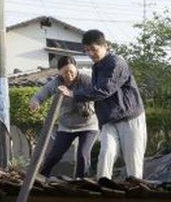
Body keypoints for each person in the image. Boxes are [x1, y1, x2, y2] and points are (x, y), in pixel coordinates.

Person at [58, 29, 147, 179]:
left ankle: (136, 191)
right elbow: (94, 91)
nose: (90, 54)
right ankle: (102, 185)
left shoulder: (116, 63)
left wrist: (73, 94)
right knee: (106, 153)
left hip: (129, 117)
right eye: (87, 50)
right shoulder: (96, 67)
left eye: (94, 49)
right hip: (109, 120)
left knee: (133, 160)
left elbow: (104, 90)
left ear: (105, 46)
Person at [29, 56, 98, 178]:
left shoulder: (86, 80)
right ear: (59, 71)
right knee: (54, 155)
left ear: (76, 68)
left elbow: (97, 93)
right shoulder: (56, 83)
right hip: (66, 126)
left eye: (72, 71)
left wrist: (72, 94)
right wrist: (35, 102)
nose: (69, 74)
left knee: (83, 154)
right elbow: (40, 94)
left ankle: (81, 182)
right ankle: (40, 178)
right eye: (66, 72)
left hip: (88, 125)